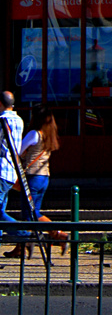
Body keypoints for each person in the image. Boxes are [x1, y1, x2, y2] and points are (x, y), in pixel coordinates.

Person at [5, 107, 67, 258]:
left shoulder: (34, 134)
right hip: (44, 177)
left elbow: (17, 151)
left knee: (30, 213)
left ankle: (58, 234)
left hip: (32, 177)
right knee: (33, 212)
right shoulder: (49, 135)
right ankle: (22, 246)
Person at [0, 91, 30, 249]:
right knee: (1, 209)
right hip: (11, 171)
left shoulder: (2, 120)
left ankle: (24, 235)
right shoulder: (19, 120)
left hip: (1, 169)